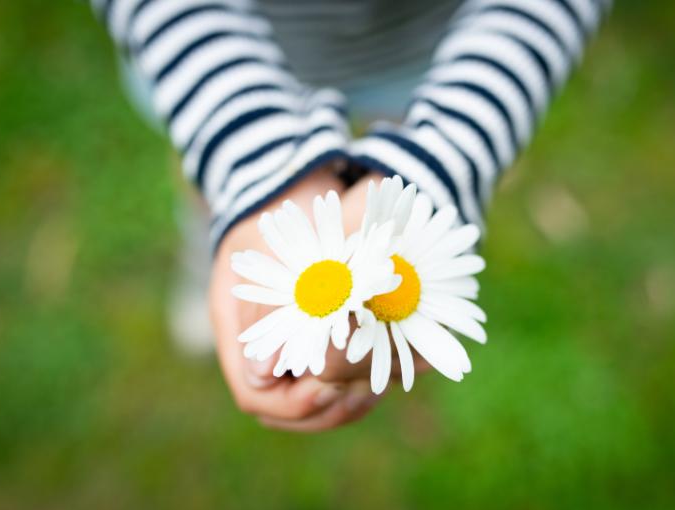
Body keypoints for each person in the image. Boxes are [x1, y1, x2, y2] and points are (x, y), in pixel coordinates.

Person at [90, 0, 608, 431]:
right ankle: (211, 258)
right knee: (215, 191)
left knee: (392, 157)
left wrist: (445, 151)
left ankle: (232, 248)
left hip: (434, 53)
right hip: (215, 58)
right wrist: (255, 166)